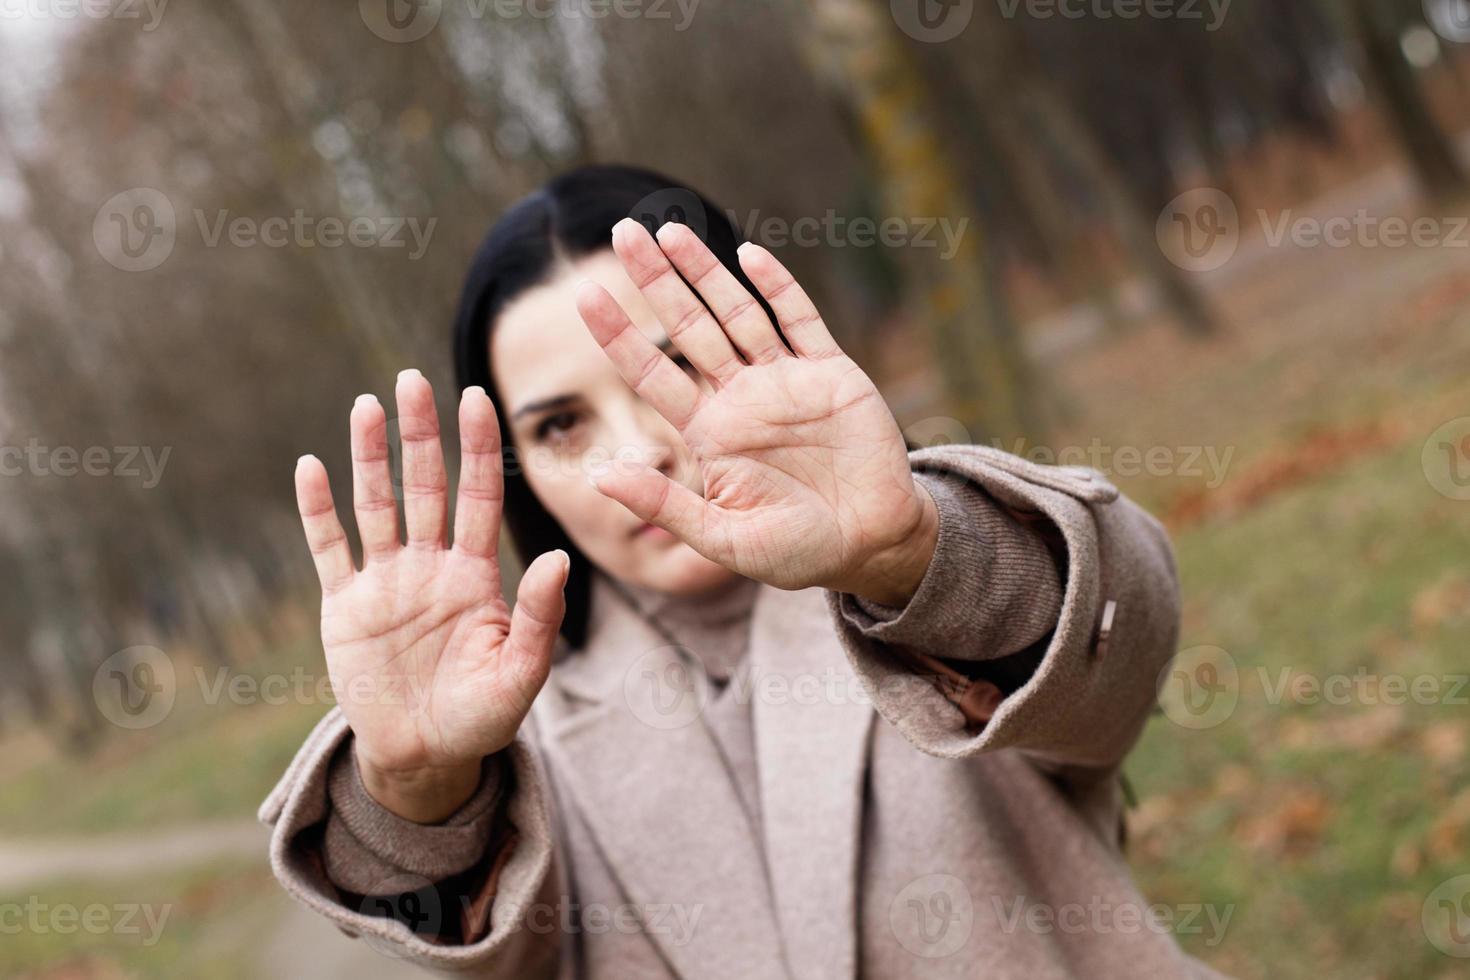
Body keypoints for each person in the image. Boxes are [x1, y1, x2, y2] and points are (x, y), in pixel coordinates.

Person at [261, 164, 1226, 979]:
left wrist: (917, 559)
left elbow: (1119, 659)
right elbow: (483, 954)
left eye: (668, 369)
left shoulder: (925, 599)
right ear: (515, 473)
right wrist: (420, 788)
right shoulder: (506, 752)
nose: (640, 452)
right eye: (561, 424)